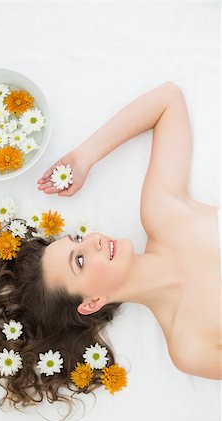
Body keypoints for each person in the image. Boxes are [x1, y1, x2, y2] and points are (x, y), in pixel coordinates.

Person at [37, 81, 221, 381]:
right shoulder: (190, 347)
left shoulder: (163, 215)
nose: (94, 240)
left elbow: (167, 100)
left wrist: (84, 157)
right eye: (79, 260)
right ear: (92, 302)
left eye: (79, 239)